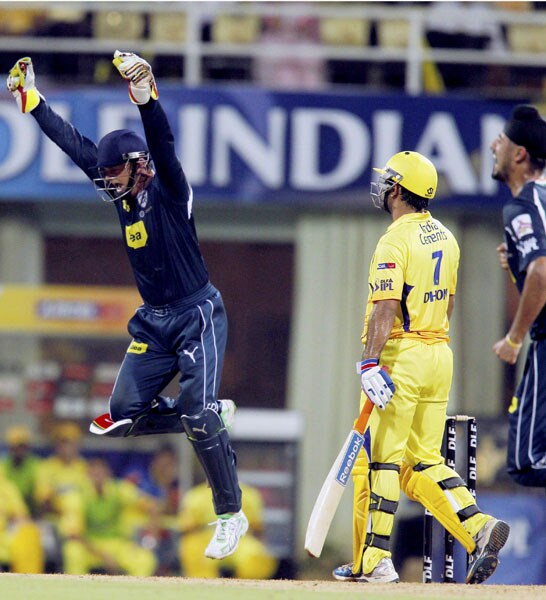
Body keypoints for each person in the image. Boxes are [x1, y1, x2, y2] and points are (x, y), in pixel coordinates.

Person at [6, 52, 247, 559]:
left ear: (139, 167)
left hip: (196, 313)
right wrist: (33, 101)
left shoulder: (170, 191)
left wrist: (144, 94)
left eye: (115, 173)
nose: (107, 181)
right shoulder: (121, 195)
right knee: (118, 415)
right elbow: (73, 144)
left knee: (199, 416)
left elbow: (162, 141)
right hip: (155, 323)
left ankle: (230, 514)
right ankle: (204, 410)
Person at [333, 151, 509, 584]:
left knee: (382, 464)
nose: (383, 186)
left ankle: (374, 561)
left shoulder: (394, 239)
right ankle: (477, 526)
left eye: (387, 180)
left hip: (401, 357)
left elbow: (385, 306)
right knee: (424, 463)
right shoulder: (448, 238)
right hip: (438, 354)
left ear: (397, 189)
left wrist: (371, 362)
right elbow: (447, 303)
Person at [490, 104, 546, 488]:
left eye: (502, 141)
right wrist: (515, 264)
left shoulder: (522, 205)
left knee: (527, 460)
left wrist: (513, 339)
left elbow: (542, 273)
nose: (494, 145)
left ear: (519, 154)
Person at [61, 457, 157, 576]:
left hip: (117, 544)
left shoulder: (119, 489)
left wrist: (152, 533)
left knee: (145, 559)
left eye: (101, 472)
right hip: (90, 546)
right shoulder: (77, 496)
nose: (98, 476)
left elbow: (151, 506)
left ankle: (136, 592)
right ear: (87, 475)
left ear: (108, 473)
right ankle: (75, 590)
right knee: (72, 550)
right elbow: (74, 535)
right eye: (94, 473)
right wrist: (103, 556)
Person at [179, 479, 277, 579]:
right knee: (194, 551)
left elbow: (257, 528)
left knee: (256, 556)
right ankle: (205, 587)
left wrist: (262, 545)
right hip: (206, 537)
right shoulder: (196, 495)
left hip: (239, 536)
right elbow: (188, 529)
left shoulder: (248, 494)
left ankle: (242, 588)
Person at [0, 425, 42, 516]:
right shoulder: (3, 466)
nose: (19, 450)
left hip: (32, 512)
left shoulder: (35, 465)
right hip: (10, 513)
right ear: (10, 447)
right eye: (16, 446)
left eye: (22, 446)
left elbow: (41, 493)